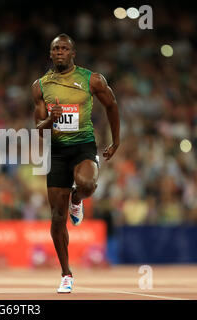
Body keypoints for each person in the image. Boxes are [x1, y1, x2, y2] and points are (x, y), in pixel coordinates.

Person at [32, 34, 120, 293]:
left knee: (88, 184)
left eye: (64, 48)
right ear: (50, 54)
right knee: (57, 218)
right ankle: (66, 273)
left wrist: (116, 141)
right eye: (55, 49)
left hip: (83, 146)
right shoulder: (40, 86)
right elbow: (39, 129)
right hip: (58, 151)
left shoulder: (92, 79)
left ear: (73, 53)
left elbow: (112, 106)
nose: (59, 52)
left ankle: (77, 199)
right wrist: (50, 120)